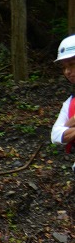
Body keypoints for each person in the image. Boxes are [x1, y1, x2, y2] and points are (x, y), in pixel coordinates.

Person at [51, 34, 75, 169]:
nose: (67, 71)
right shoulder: (70, 103)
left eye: (72, 65)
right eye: (64, 67)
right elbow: (55, 135)